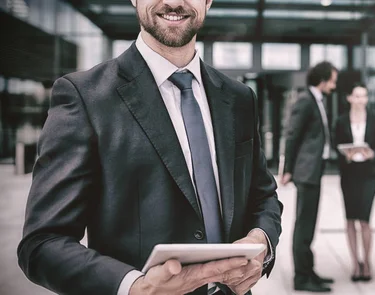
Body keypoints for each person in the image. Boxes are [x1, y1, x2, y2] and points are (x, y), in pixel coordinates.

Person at [17, 1, 283, 294]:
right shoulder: (85, 97)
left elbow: (263, 195)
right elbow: (42, 243)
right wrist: (133, 287)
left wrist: (261, 240)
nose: (175, 2)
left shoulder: (239, 97)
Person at [280, 61, 337, 293]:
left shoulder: (317, 100)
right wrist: (287, 169)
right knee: (304, 225)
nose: (334, 85)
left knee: (309, 224)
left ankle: (309, 271)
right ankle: (301, 278)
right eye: (332, 80)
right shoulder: (305, 100)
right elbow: (292, 134)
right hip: (306, 171)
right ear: (322, 80)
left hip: (313, 170)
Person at [333, 82, 375, 283]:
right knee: (350, 219)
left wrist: (372, 153)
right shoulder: (341, 121)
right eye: (357, 96)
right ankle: (355, 263)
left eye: (364, 96)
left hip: (369, 173)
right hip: (349, 173)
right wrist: (346, 154)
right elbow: (336, 145)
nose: (361, 99)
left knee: (365, 219)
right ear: (350, 98)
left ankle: (367, 262)